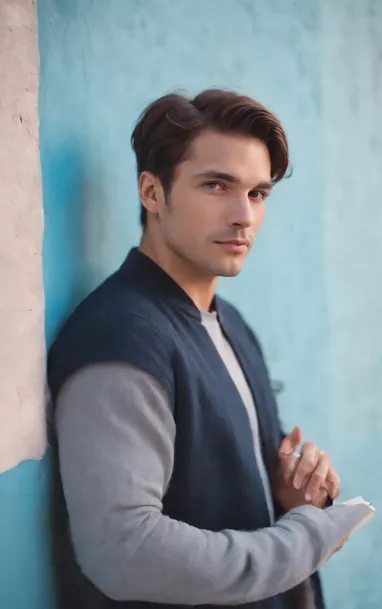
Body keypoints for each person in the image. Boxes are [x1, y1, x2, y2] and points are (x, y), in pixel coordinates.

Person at [48, 89, 344, 609]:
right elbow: (126, 552)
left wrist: (293, 495)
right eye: (216, 185)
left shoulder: (230, 324)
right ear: (152, 192)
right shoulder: (121, 339)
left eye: (258, 193)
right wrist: (306, 538)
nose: (243, 217)